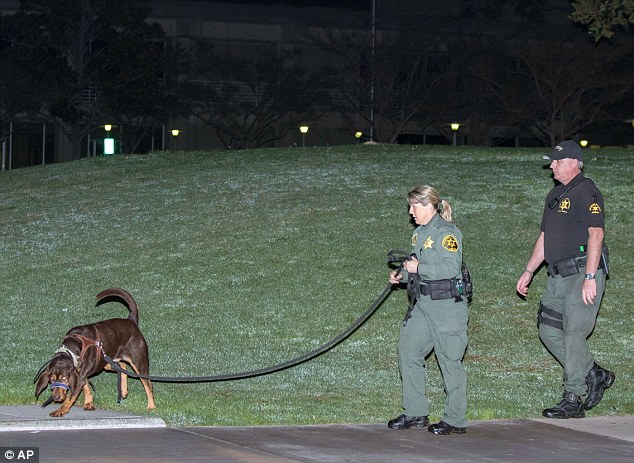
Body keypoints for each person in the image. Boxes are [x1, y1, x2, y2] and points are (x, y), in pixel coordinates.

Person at [516, 140, 614, 419]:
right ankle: (594, 372)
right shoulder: (555, 195)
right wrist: (528, 270)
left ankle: (573, 397)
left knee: (573, 333)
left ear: (573, 162)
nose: (552, 166)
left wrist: (591, 277)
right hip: (557, 275)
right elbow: (545, 238)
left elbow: (596, 234)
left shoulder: (587, 191)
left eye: (557, 162)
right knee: (548, 330)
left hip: (582, 272)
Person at [388, 185, 469, 435]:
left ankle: (455, 419)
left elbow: (450, 268)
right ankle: (415, 412)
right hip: (423, 304)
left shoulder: (447, 233)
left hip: (446, 307)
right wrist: (401, 276)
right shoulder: (420, 233)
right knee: (408, 349)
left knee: (449, 359)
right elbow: (416, 262)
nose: (410, 211)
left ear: (427, 205)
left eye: (413, 206)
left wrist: (417, 269)